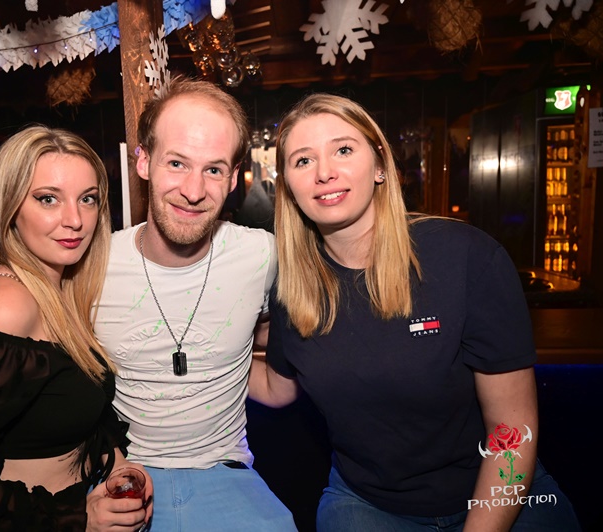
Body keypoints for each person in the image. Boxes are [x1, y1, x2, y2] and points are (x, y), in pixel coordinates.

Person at [249, 93, 581, 531]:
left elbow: (513, 431)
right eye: (303, 160)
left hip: (500, 492)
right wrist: (196, 354)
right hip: (369, 504)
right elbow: (278, 387)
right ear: (288, 185)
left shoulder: (465, 257)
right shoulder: (294, 287)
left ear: (380, 165)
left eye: (343, 150)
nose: (324, 172)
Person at [0, 125, 153, 531]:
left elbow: (70, 410)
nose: (75, 220)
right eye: (48, 199)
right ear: (10, 207)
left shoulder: (63, 289)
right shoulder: (6, 305)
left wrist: (117, 464)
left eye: (88, 199)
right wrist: (78, 518)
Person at [93, 76, 296, 531]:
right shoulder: (93, 265)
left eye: (214, 169)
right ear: (143, 161)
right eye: (177, 163)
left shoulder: (261, 255)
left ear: (234, 177)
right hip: (121, 475)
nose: (193, 190)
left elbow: (275, 336)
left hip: (226, 474)